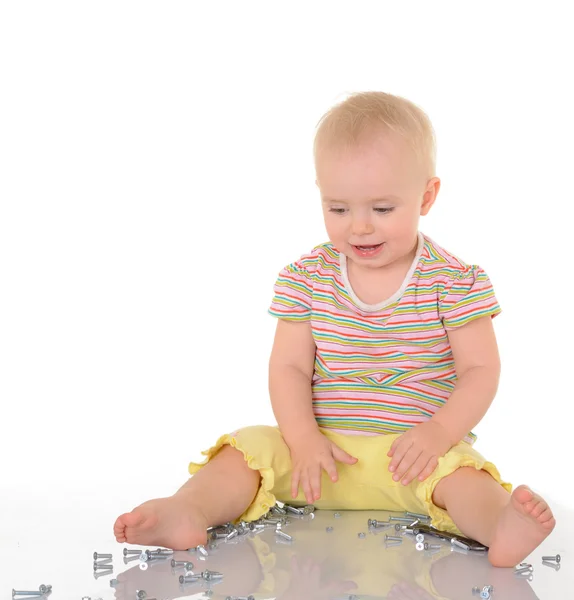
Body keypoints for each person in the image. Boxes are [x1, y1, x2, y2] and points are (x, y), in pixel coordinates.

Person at [113, 91, 555, 568]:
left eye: (382, 209)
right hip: (318, 460)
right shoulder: (307, 277)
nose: (359, 227)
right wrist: (301, 439)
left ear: (427, 197)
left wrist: (439, 433)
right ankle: (188, 510)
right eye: (338, 209)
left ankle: (501, 525)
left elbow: (479, 369)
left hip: (414, 459)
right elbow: (288, 366)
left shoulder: (453, 281)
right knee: (249, 448)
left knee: (466, 479)